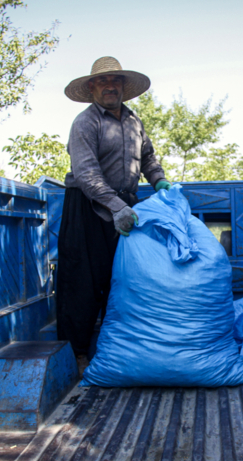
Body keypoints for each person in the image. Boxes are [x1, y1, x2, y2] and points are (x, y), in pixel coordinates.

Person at [57, 56, 171, 366]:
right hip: (87, 207)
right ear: (92, 87)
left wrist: (160, 182)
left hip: (126, 207)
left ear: (123, 87)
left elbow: (147, 158)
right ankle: (77, 356)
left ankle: (122, 354)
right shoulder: (85, 122)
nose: (110, 86)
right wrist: (117, 207)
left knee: (124, 279)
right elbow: (86, 173)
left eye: (116, 80)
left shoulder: (134, 122)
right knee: (83, 283)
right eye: (103, 82)